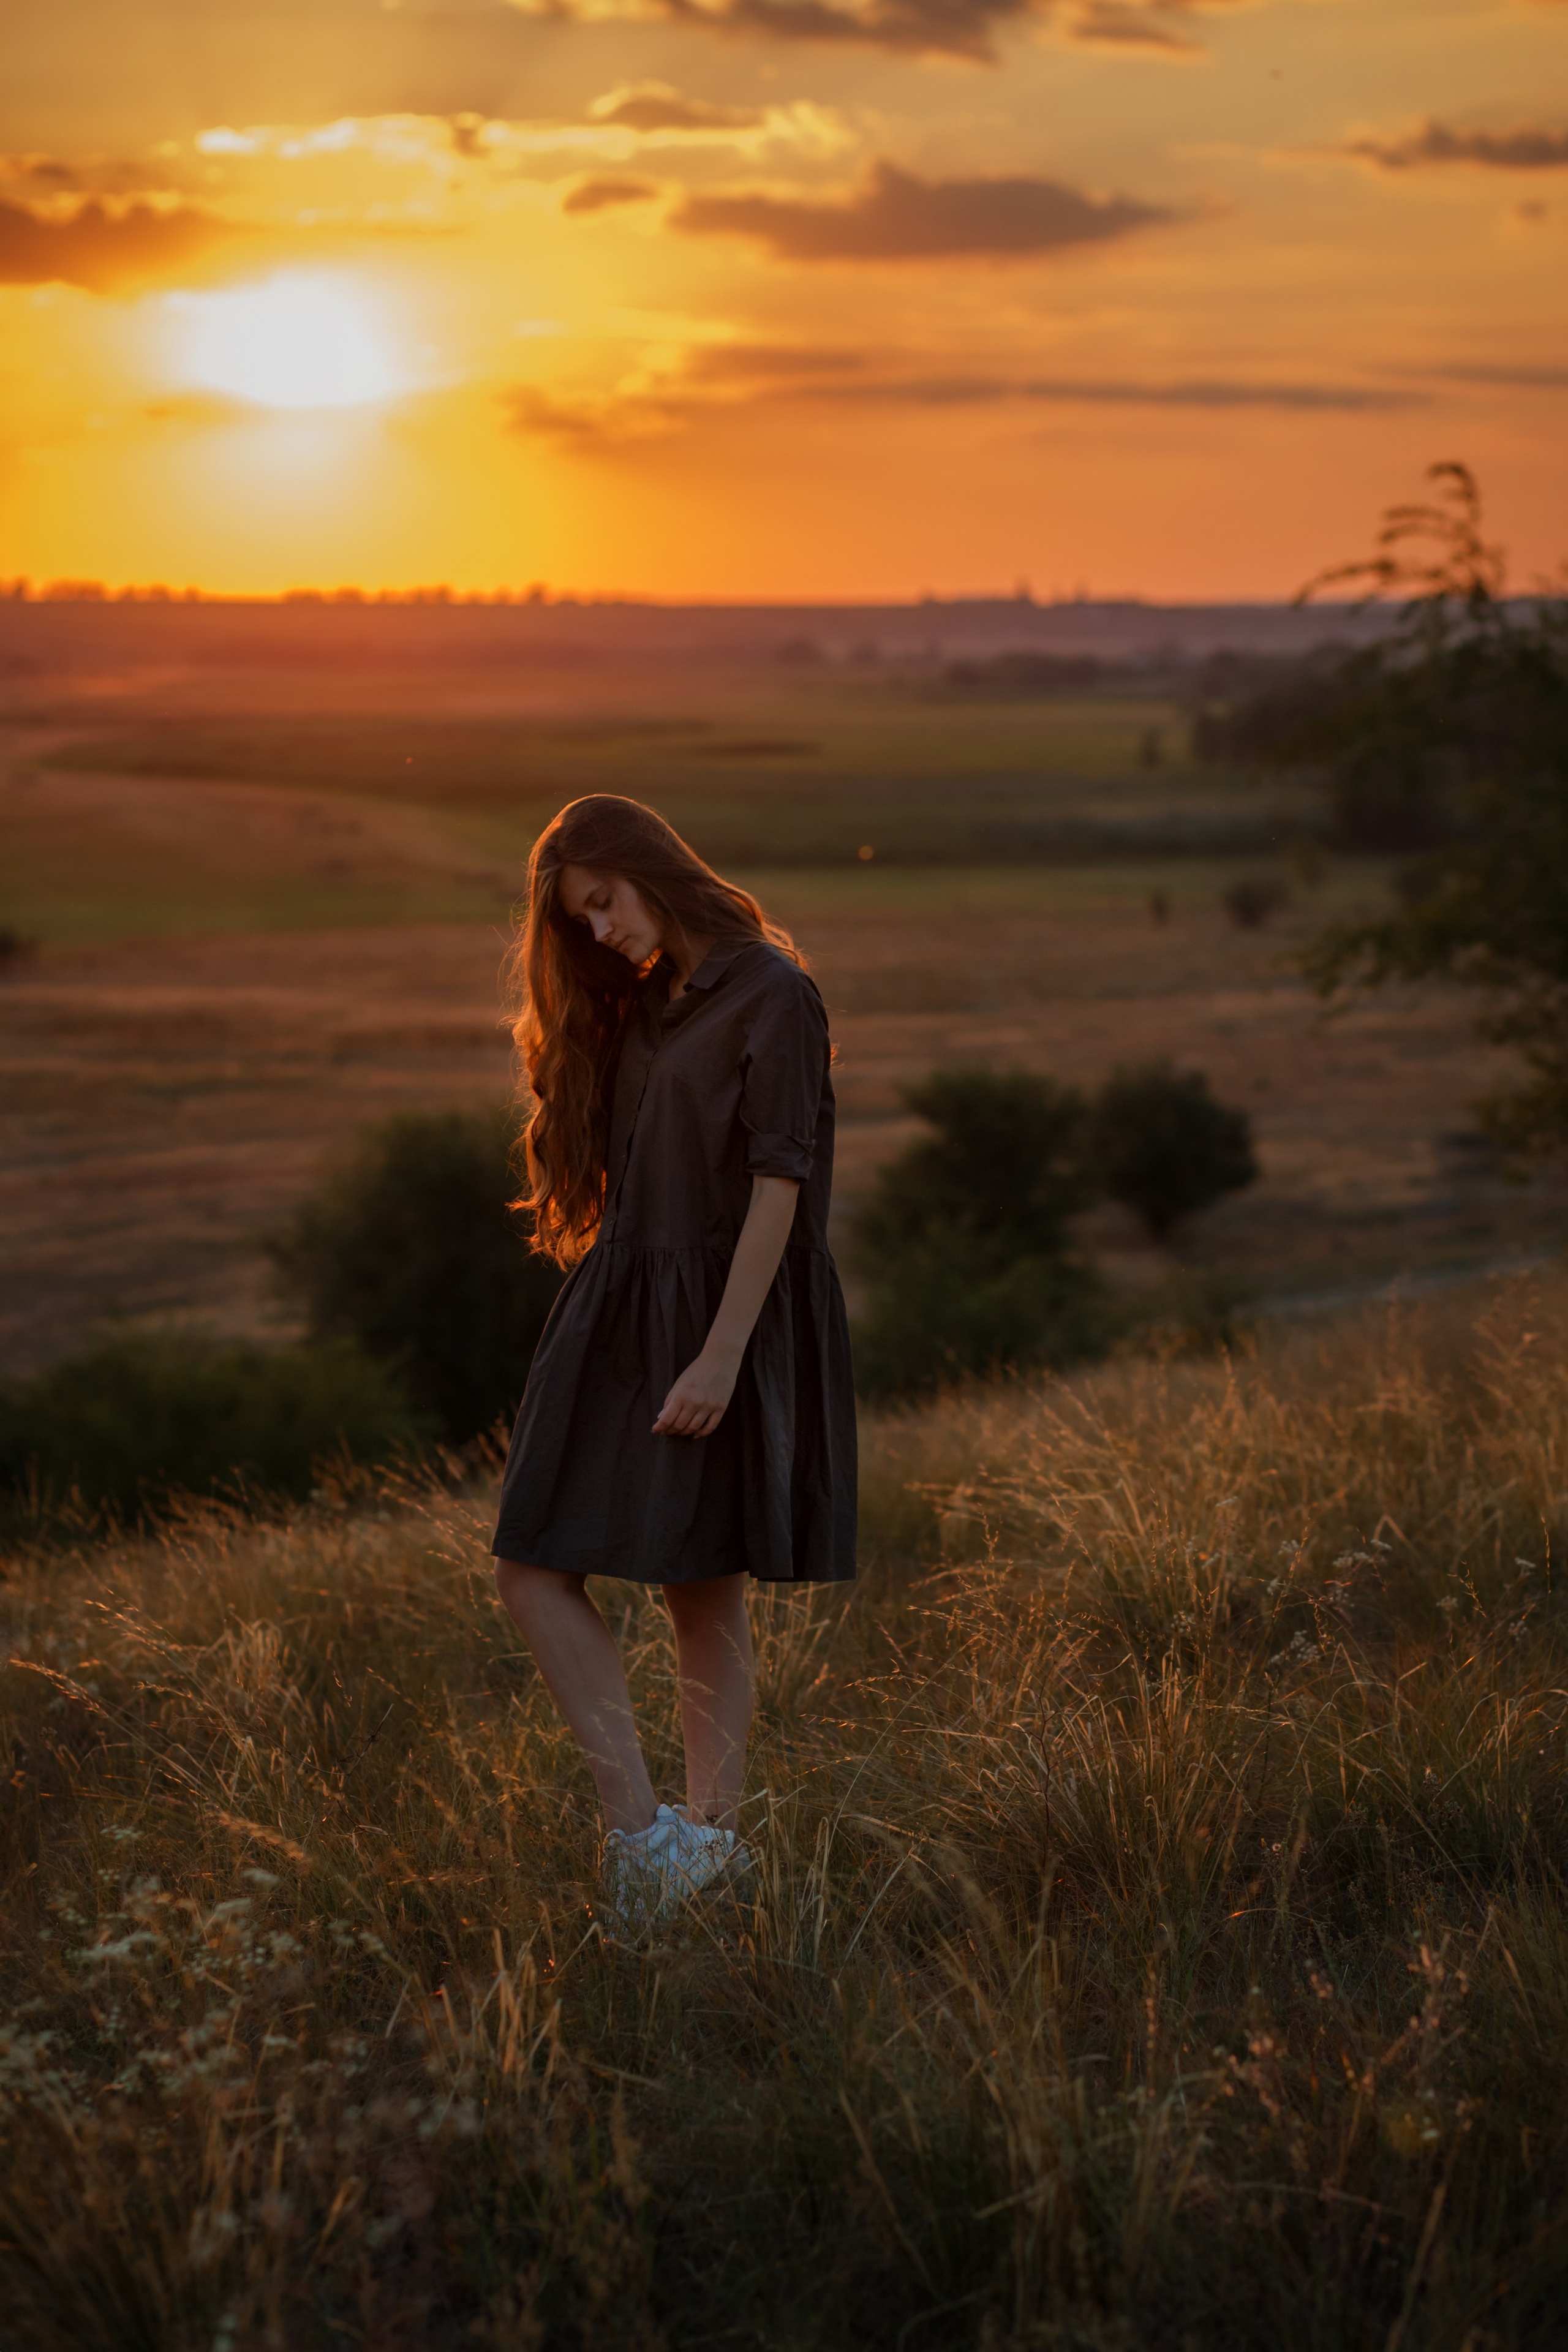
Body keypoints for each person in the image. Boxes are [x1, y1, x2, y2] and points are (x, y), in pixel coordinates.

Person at [492, 794, 856, 1932]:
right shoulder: (644, 1002)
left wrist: (721, 1357)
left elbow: (781, 1183)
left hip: (720, 1312)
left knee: (703, 1585)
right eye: (581, 920)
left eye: (605, 903)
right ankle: (645, 1838)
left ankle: (709, 1846)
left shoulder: (775, 992)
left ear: (653, 869)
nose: (601, 931)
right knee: (531, 1565)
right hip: (620, 1302)